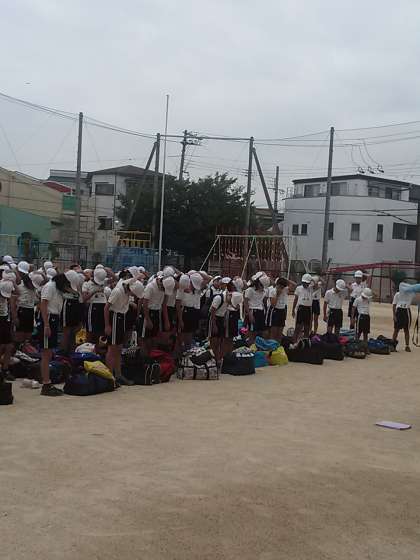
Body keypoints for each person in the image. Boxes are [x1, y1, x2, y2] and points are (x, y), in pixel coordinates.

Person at [39, 273, 71, 396]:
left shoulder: (57, 288)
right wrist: (46, 325)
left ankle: (48, 382)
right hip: (48, 318)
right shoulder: (50, 286)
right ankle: (46, 384)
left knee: (49, 352)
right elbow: (43, 304)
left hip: (54, 318)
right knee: (46, 352)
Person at [104, 278, 136, 386]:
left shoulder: (126, 292)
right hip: (114, 317)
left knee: (119, 348)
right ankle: (109, 377)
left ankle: (118, 375)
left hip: (122, 317)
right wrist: (107, 325)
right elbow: (106, 308)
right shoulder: (117, 291)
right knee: (112, 348)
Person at [177, 272, 203, 350]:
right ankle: (180, 352)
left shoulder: (197, 290)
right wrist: (180, 320)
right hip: (184, 312)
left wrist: (197, 273)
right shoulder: (182, 288)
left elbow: (208, 279)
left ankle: (188, 351)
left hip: (193, 312)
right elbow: (178, 305)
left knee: (189, 335)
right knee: (181, 336)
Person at [140, 274, 166, 352]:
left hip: (156, 312)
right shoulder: (150, 287)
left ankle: (153, 354)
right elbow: (144, 304)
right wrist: (148, 319)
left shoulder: (163, 287)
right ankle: (144, 356)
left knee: (154, 336)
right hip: (148, 311)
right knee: (145, 337)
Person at [14, 261, 38, 345]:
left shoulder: (33, 283)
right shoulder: (19, 284)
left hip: (29, 310)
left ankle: (24, 348)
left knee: (27, 335)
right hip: (21, 309)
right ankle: (18, 348)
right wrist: (15, 317)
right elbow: (13, 302)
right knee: (19, 335)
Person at [60, 270, 84, 354]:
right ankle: (64, 351)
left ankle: (71, 351)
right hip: (68, 304)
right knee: (66, 331)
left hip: (76, 304)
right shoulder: (63, 285)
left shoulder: (78, 281)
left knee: (74, 331)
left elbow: (80, 294)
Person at [82, 267, 108, 342]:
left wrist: (105, 269)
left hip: (103, 306)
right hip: (93, 306)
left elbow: (115, 278)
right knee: (90, 330)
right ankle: (88, 345)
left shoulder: (104, 282)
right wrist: (93, 292)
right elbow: (84, 299)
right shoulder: (87, 284)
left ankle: (99, 346)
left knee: (101, 330)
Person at [266, 277, 295, 341]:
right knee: (273, 333)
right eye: (280, 286)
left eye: (282, 287)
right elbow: (273, 304)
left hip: (282, 311)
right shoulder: (273, 291)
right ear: (277, 285)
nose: (281, 288)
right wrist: (277, 294)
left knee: (280, 333)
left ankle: (278, 345)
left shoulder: (285, 289)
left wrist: (286, 280)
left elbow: (294, 285)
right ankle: (271, 345)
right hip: (274, 311)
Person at [244, 272, 269, 342]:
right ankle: (250, 346)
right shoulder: (250, 290)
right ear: (258, 284)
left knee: (262, 332)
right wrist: (249, 314)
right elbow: (245, 302)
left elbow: (264, 301)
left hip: (261, 311)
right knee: (252, 332)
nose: (263, 288)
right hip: (252, 311)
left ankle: (259, 346)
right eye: (262, 286)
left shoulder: (264, 291)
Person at [0, 280, 16, 382]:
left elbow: (17, 293)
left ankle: (5, 370)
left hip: (5, 318)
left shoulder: (8, 290)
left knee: (9, 346)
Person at [392, 283, 414, 352]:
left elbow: (414, 289)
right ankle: (392, 345)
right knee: (396, 329)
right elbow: (394, 305)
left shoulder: (410, 294)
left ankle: (407, 346)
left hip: (406, 311)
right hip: (399, 311)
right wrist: (394, 315)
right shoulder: (397, 294)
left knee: (406, 330)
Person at [292, 273, 313, 340]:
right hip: (301, 308)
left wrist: (311, 279)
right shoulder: (299, 288)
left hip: (308, 309)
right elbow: (295, 299)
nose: (305, 284)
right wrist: (293, 309)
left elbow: (320, 283)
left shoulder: (311, 288)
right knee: (298, 327)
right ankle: (294, 342)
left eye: (307, 283)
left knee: (307, 327)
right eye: (304, 282)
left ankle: (305, 342)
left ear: (309, 283)